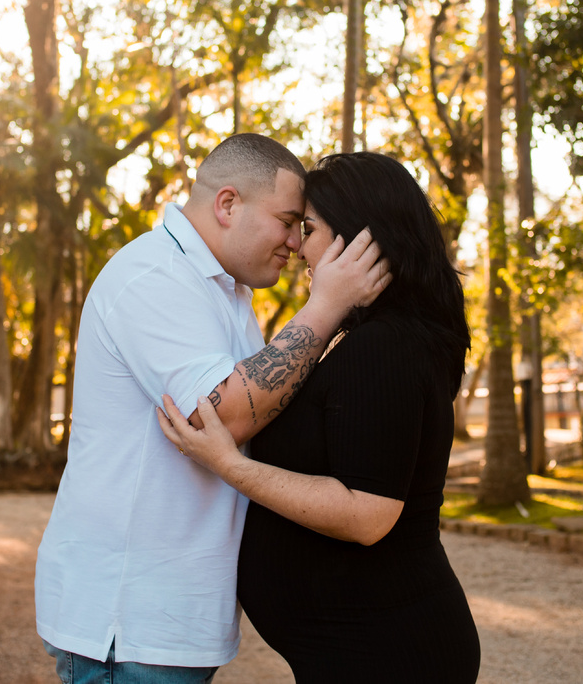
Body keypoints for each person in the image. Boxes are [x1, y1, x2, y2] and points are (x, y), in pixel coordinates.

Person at [36, 134, 391, 684]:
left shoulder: (223, 291)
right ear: (228, 204)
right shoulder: (154, 276)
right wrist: (327, 304)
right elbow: (220, 418)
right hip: (130, 625)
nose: (296, 243)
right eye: (287, 221)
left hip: (168, 624)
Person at [158, 151, 482, 684]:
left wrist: (228, 465)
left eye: (308, 229)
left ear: (357, 239)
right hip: (363, 650)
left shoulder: (387, 347)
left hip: (389, 653)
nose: (298, 246)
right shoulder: (370, 338)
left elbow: (367, 514)